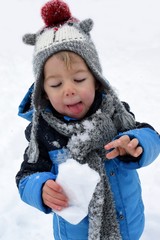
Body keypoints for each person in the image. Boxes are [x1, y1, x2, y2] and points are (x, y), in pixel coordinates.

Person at [16, 0, 160, 239]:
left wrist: (136, 143)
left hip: (128, 227)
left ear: (96, 80)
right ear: (43, 92)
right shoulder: (43, 133)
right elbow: (26, 177)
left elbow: (151, 136)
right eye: (56, 84)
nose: (69, 90)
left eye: (80, 79)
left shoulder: (115, 114)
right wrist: (40, 188)